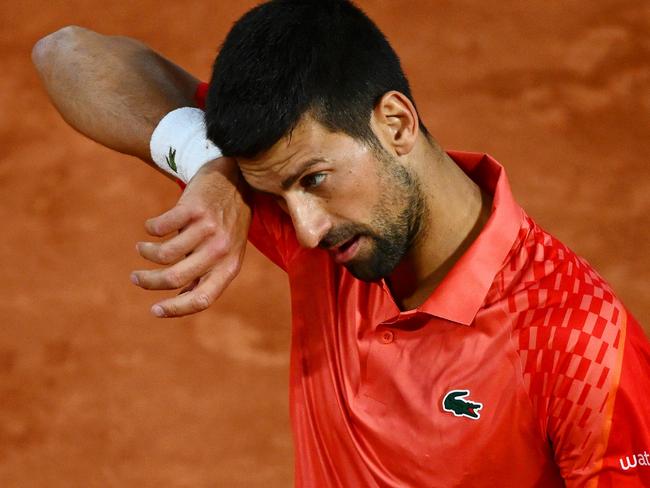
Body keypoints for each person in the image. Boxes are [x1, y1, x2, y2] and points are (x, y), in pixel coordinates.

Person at [33, 1, 649, 486]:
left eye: (315, 181)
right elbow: (66, 54)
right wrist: (209, 167)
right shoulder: (320, 220)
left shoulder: (582, 347)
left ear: (396, 122)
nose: (303, 229)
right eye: (277, 192)